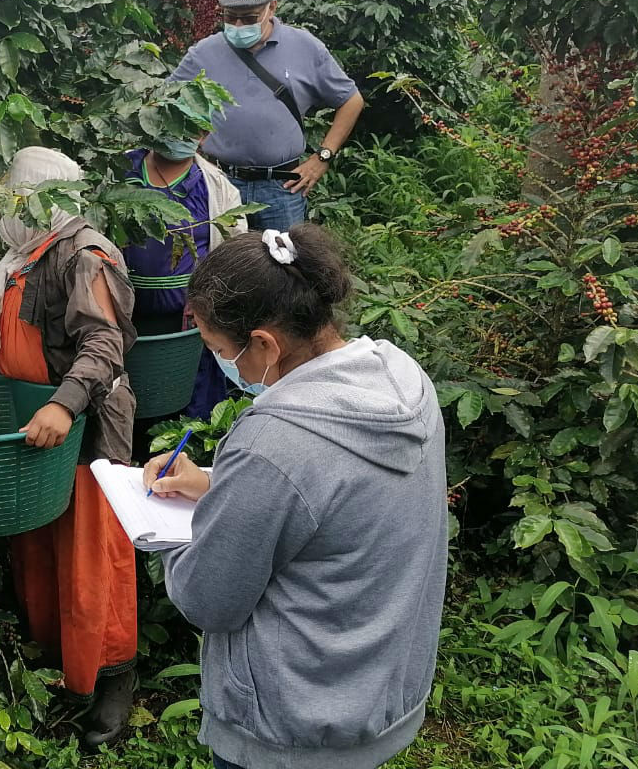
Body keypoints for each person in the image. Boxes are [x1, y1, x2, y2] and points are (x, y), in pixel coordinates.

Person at [143, 224, 447, 769]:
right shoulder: (404, 383)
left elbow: (209, 599)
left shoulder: (274, 444)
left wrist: (159, 524)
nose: (217, 361)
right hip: (375, 696)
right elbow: (335, 502)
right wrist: (214, 482)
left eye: (216, 348)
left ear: (264, 343)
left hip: (284, 729)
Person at [0, 146, 139, 748]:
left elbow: (103, 345)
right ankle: (55, 661)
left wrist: (62, 404)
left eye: (15, 198)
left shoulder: (85, 256)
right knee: (38, 547)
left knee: (91, 555)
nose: (5, 209)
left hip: (81, 432)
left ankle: (112, 675)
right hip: (27, 427)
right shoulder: (25, 255)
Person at [169, 0, 365, 229]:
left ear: (272, 7)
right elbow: (166, 104)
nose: (238, 25)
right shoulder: (204, 53)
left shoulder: (304, 47)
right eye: (230, 17)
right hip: (219, 182)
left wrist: (322, 158)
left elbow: (351, 100)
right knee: (222, 266)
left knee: (283, 265)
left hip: (282, 188)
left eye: (249, 18)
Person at [122, 135, 247, 419]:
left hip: (186, 321)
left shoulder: (215, 186)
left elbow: (232, 253)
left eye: (192, 128)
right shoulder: (120, 170)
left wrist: (208, 297)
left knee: (186, 399)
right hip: (125, 315)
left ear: (203, 135)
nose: (181, 136)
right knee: (127, 397)